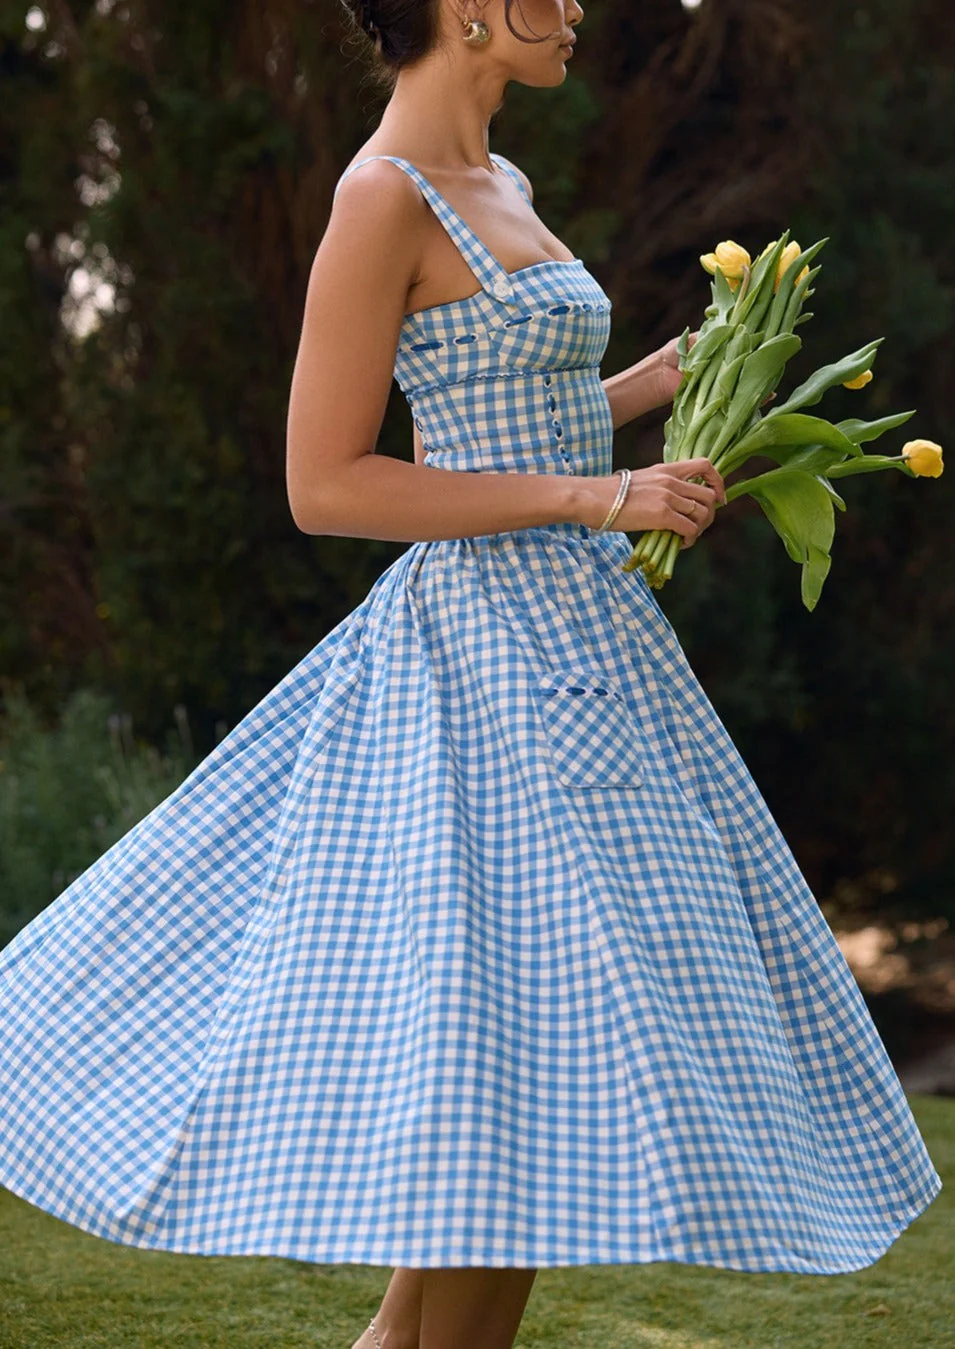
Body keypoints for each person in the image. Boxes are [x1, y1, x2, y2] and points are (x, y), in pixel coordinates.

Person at [0, 3, 942, 1348]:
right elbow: (324, 484)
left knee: (523, 1130)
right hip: (476, 671)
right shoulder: (379, 199)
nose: (570, 11)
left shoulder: (502, 181)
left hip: (587, 651)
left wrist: (669, 383)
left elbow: (519, 406)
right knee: (505, 1108)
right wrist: (596, 495)